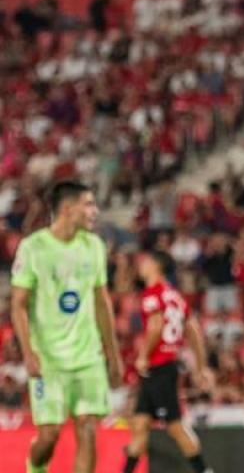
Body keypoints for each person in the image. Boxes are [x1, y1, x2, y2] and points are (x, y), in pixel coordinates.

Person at [11, 181, 123, 473]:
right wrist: (28, 352)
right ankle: (34, 468)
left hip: (87, 358)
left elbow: (102, 301)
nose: (94, 212)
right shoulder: (34, 247)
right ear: (67, 208)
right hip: (49, 360)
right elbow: (18, 304)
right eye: (88, 205)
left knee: (87, 428)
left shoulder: (94, 246)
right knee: (49, 436)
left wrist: (113, 354)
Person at [122, 250, 215, 473]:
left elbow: (155, 326)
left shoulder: (152, 294)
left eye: (145, 261)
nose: (141, 265)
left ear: (156, 265)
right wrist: (201, 367)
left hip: (160, 368)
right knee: (140, 425)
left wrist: (143, 355)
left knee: (175, 427)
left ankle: (204, 470)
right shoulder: (174, 296)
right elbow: (193, 331)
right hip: (163, 368)